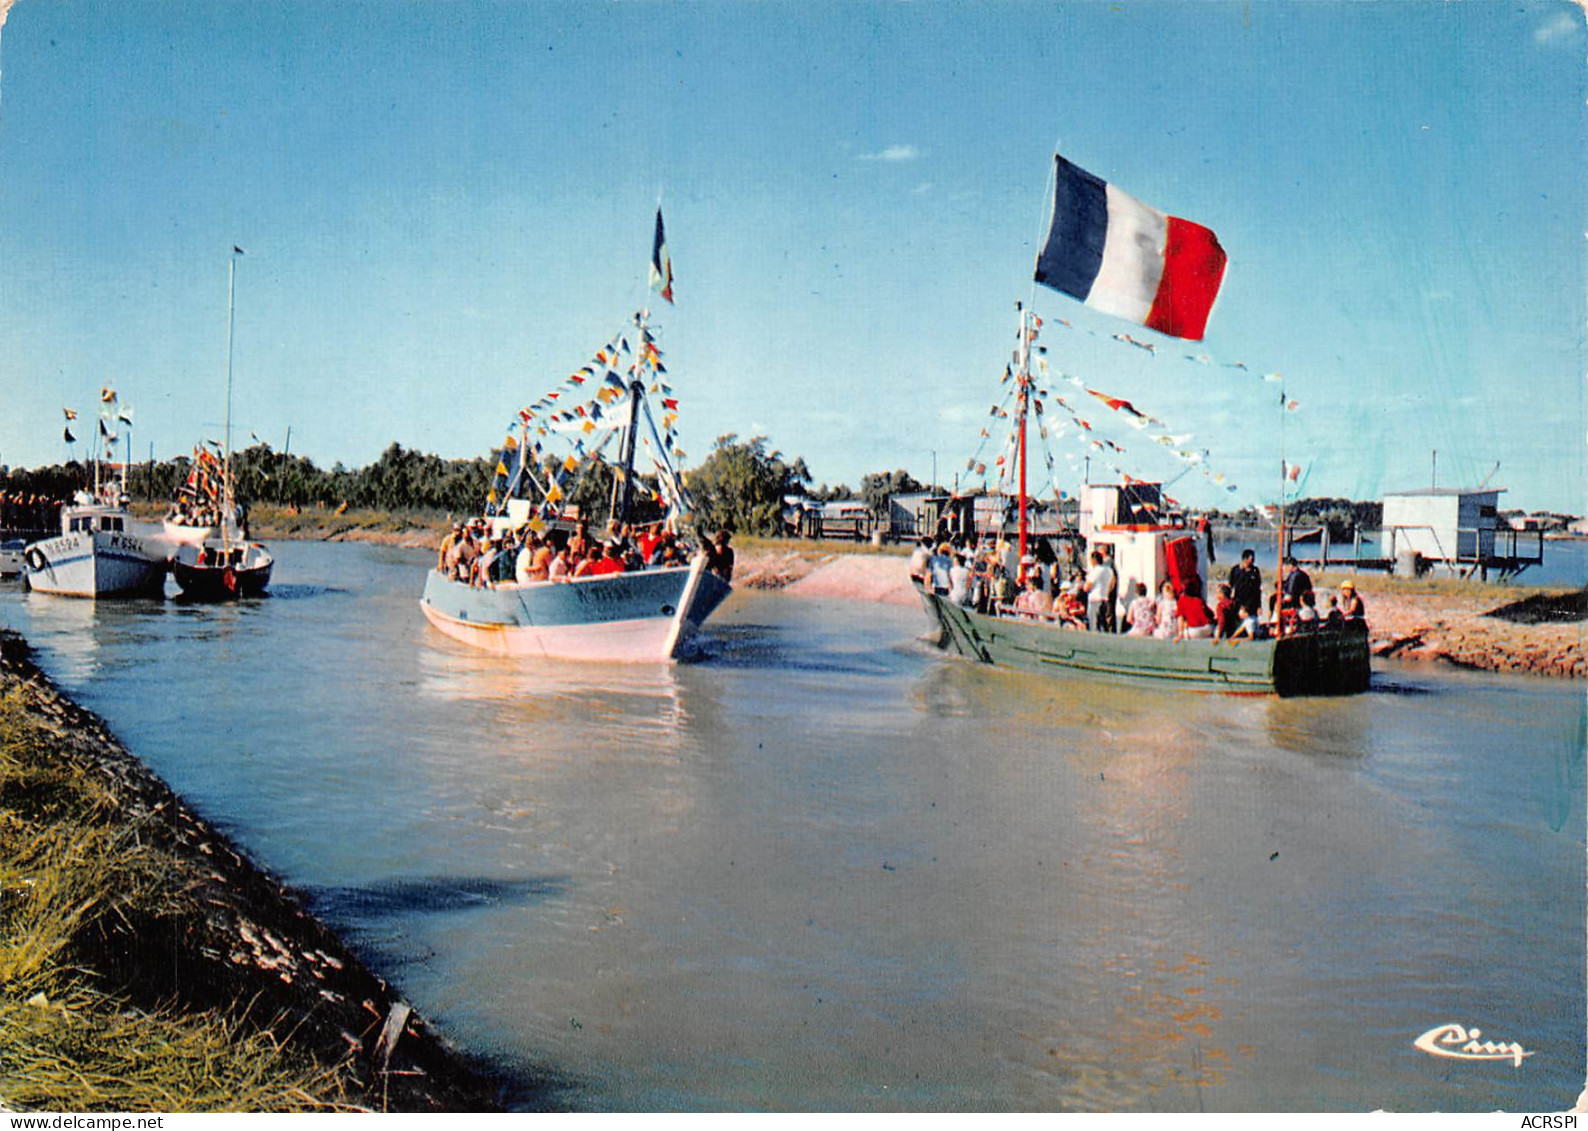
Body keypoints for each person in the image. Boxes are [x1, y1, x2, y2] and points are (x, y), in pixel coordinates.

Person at [1228, 549, 1263, 624]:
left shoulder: (1255, 571)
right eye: (1251, 558)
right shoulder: (1236, 570)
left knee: (1251, 622)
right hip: (1238, 600)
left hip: (1252, 601)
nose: (1253, 560)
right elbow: (1231, 584)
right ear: (1245, 559)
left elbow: (1257, 589)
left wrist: (1259, 605)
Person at [1084, 550, 1115, 633]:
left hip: (1095, 599)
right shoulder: (1109, 570)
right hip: (1105, 599)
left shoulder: (1095, 571)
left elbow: (1087, 587)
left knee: (1094, 625)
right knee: (1104, 625)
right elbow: (1112, 585)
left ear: (1094, 560)